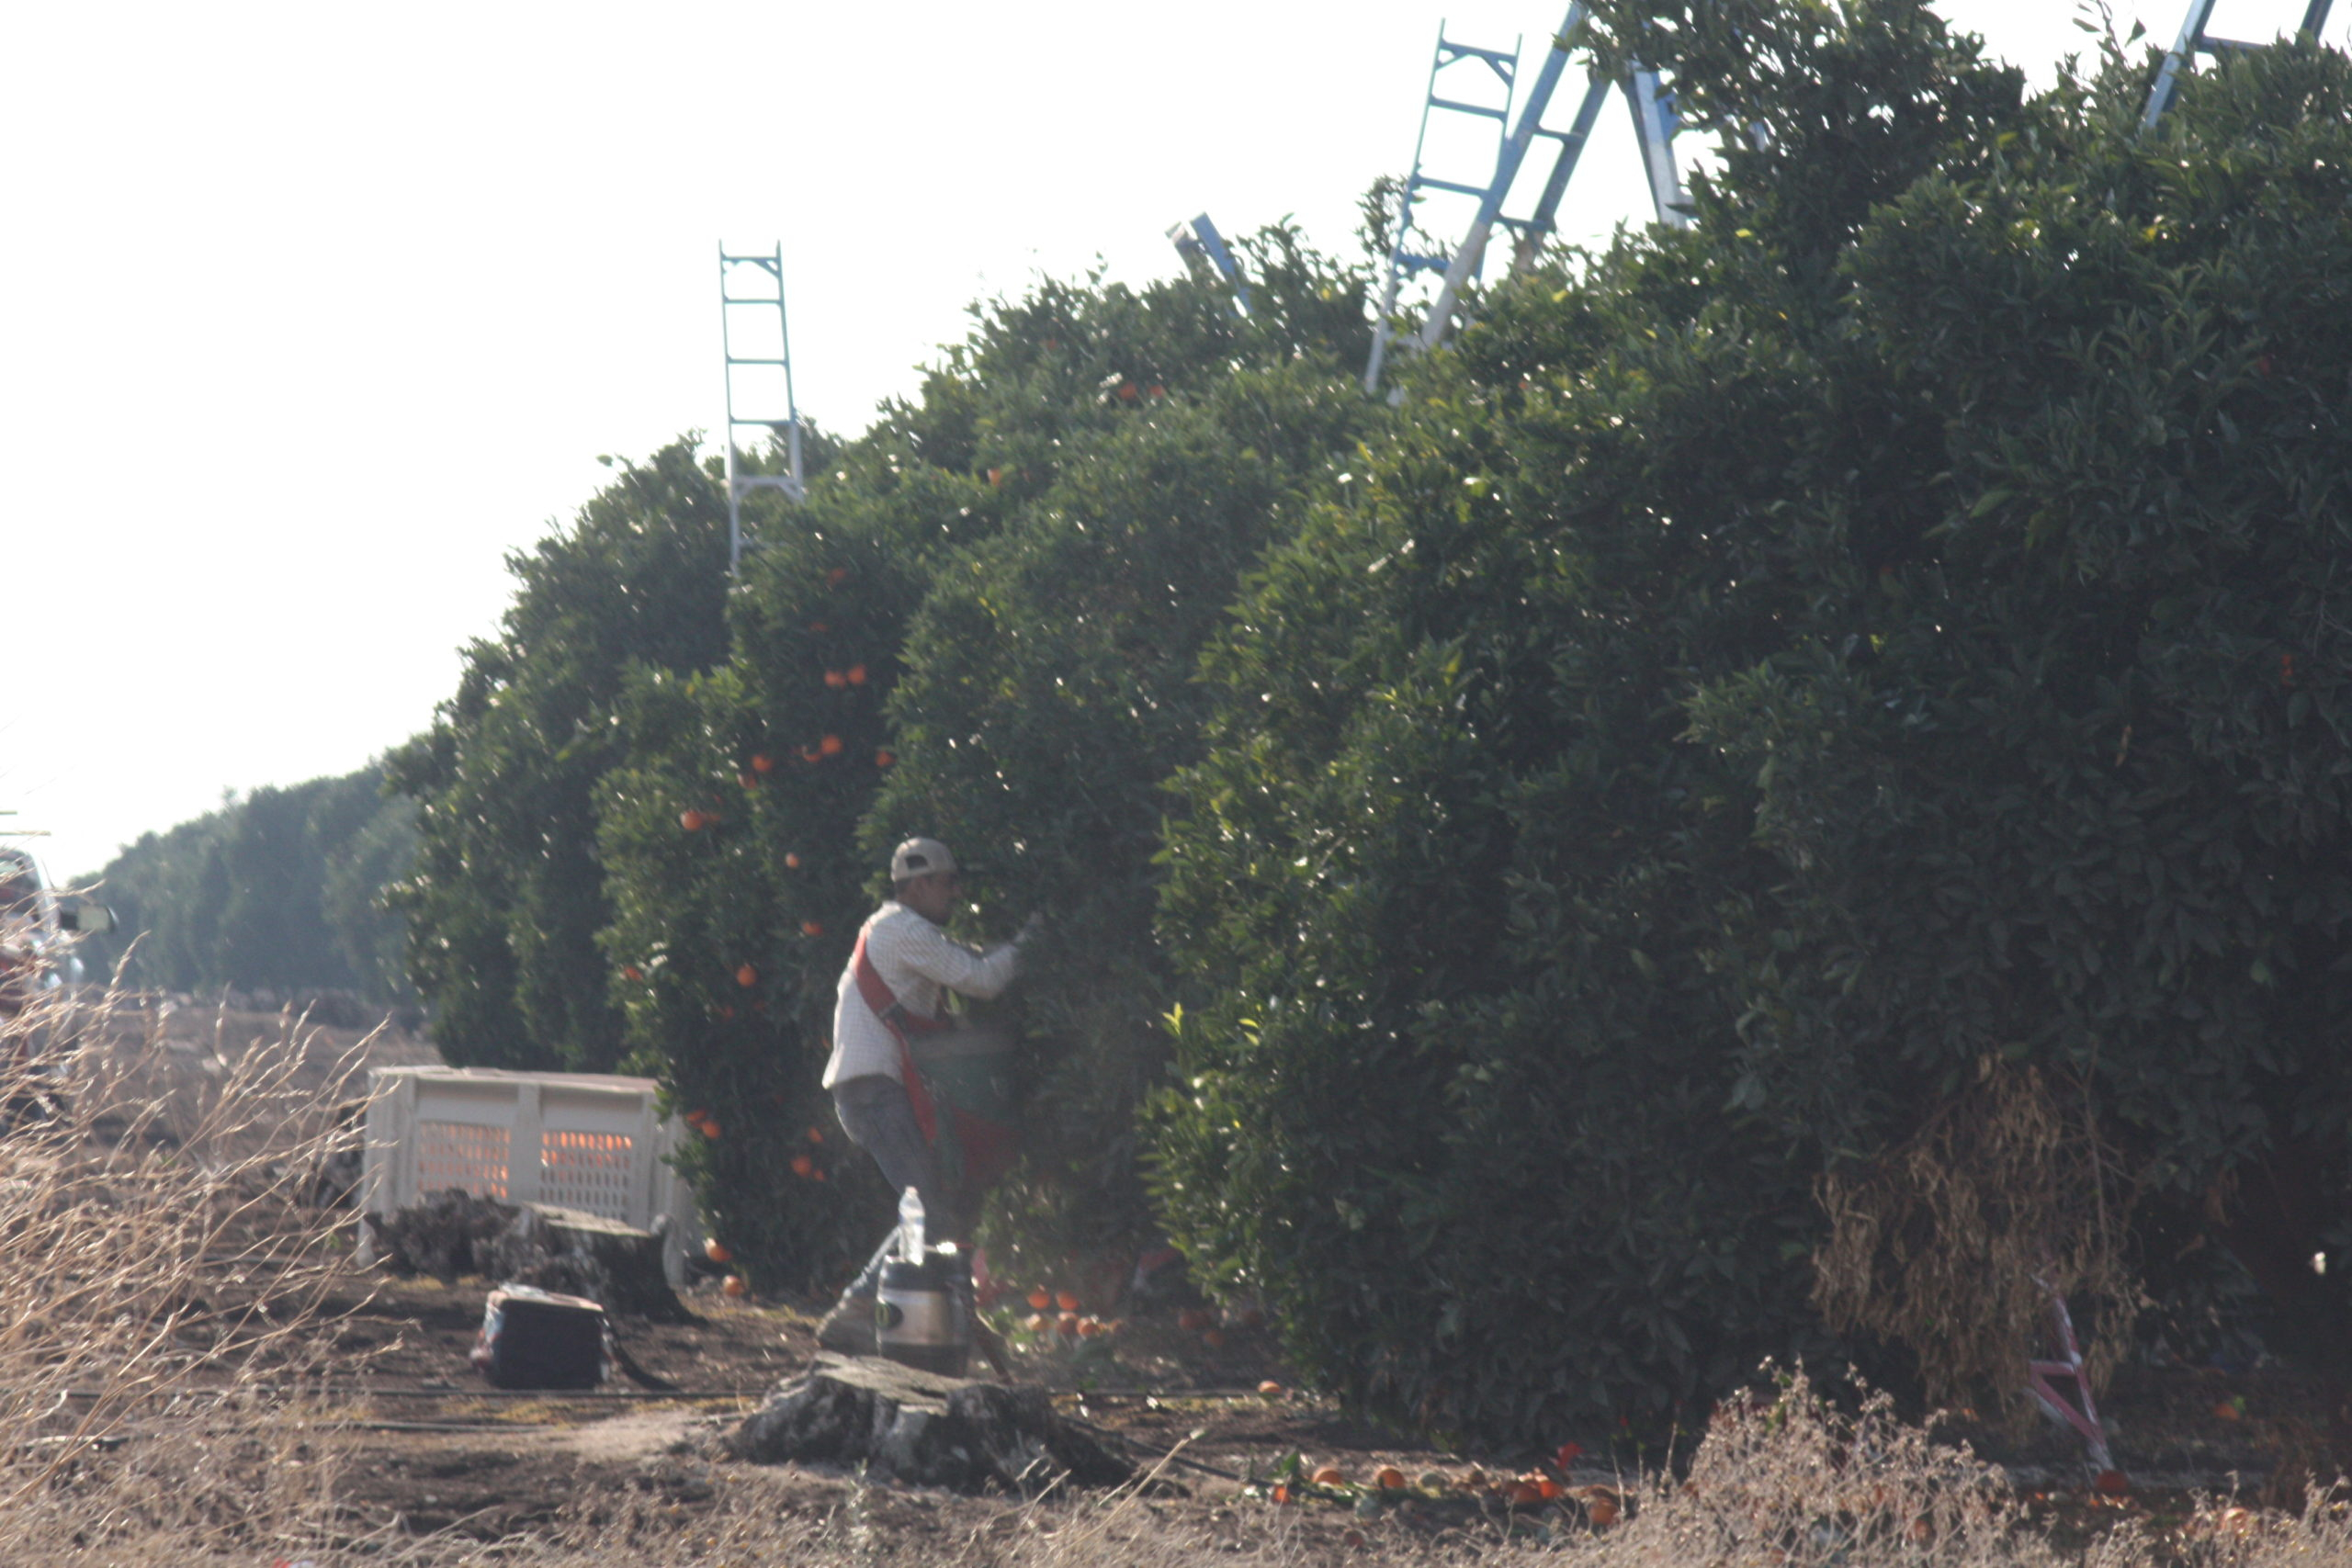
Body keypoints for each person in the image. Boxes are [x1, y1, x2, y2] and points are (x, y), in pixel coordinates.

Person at [816, 836, 1032, 1354]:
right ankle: (857, 1308)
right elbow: (981, 980)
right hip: (874, 1093)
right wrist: (1032, 940)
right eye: (948, 882)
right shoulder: (901, 928)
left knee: (936, 1212)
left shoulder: (893, 931)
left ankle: (927, 1318)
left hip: (873, 1091)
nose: (955, 893)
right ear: (919, 883)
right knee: (929, 1213)